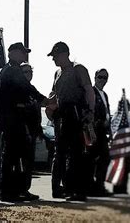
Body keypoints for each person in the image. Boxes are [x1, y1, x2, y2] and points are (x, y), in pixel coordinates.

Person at [46, 41, 95, 202]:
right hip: (61, 115)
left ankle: (77, 189)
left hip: (76, 113)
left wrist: (90, 111)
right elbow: (54, 94)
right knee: (59, 153)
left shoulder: (78, 69)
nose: (53, 59)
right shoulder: (56, 73)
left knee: (76, 153)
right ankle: (58, 188)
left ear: (64, 54)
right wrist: (49, 109)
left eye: (55, 56)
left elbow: (89, 90)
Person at [0, 42, 43, 202]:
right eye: (23, 52)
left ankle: (17, 189)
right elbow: (27, 89)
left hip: (13, 119)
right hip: (12, 119)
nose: (25, 55)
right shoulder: (12, 70)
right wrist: (45, 100)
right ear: (13, 53)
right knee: (12, 156)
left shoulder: (9, 70)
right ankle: (9, 191)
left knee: (17, 155)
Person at [19, 62, 47, 198]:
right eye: (25, 72)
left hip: (33, 131)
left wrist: (39, 130)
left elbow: (38, 108)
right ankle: (20, 189)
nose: (29, 74)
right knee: (22, 162)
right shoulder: (19, 89)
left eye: (30, 71)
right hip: (23, 131)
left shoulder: (32, 89)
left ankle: (25, 188)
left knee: (29, 162)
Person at [88, 69, 112, 196]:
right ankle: (92, 186)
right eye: (100, 77)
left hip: (103, 132)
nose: (102, 80)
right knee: (92, 160)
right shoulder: (91, 92)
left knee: (105, 158)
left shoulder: (105, 94)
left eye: (105, 78)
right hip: (94, 131)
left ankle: (99, 185)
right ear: (95, 77)